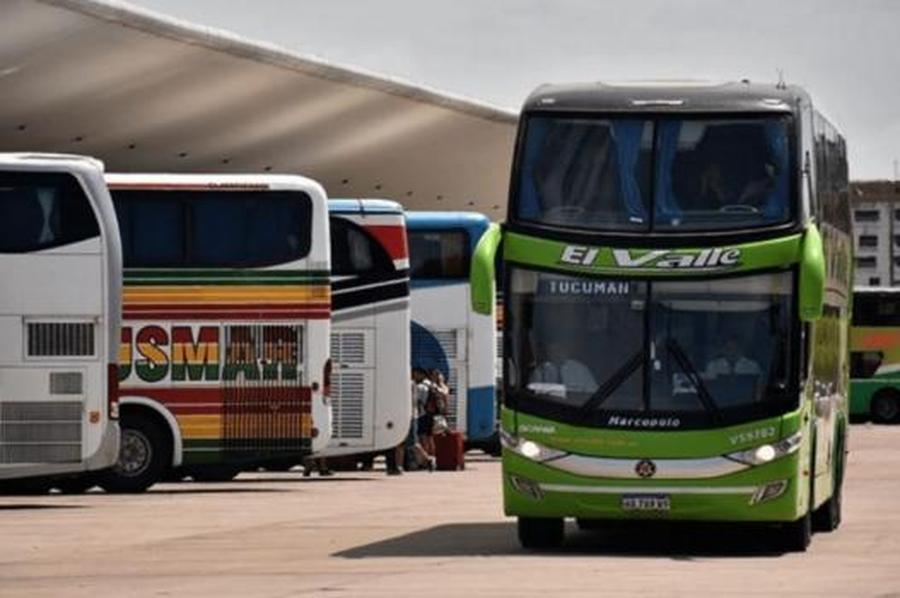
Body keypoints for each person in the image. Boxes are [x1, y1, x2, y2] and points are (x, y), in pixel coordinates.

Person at [529, 339, 598, 395]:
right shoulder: (540, 371)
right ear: (548, 353)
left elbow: (594, 392)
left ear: (566, 350)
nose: (556, 354)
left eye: (559, 350)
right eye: (552, 351)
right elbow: (534, 394)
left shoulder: (580, 369)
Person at [409, 368, 436, 471]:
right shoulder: (431, 385)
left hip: (421, 415)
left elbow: (417, 401)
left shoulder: (420, 386)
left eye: (415, 373)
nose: (414, 376)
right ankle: (432, 457)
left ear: (420, 374)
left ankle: (425, 461)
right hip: (429, 414)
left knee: (422, 439)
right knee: (430, 438)